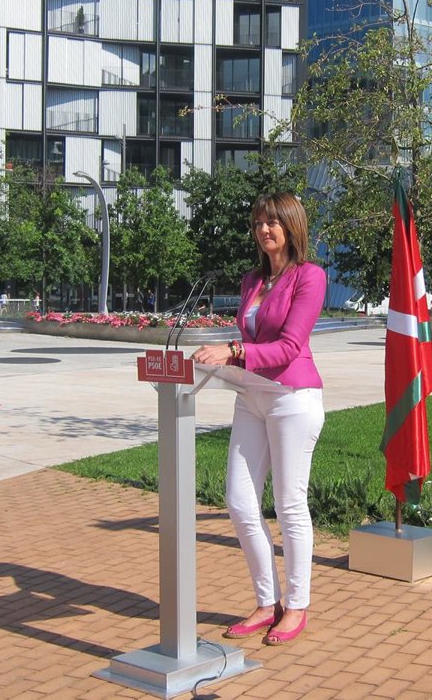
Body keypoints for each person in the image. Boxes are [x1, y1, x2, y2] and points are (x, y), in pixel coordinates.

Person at [191, 192, 325, 647]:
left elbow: (289, 346)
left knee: (289, 505)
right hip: (251, 396)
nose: (264, 230)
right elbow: (251, 338)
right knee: (239, 501)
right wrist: (222, 355)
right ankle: (268, 603)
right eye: (258, 223)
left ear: (291, 225)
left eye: (272, 222)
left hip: (292, 398)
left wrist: (233, 350)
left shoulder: (310, 276)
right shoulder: (253, 279)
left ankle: (297, 605)